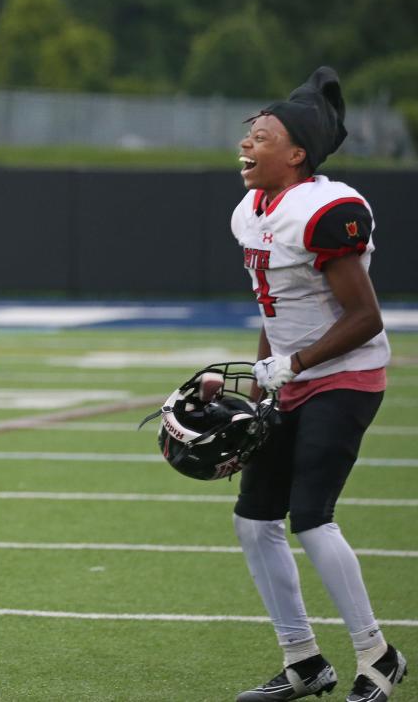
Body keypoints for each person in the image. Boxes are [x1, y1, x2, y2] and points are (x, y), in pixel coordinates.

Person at [231, 67, 407, 702]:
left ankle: (376, 654)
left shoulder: (327, 208)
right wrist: (261, 379)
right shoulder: (250, 212)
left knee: (310, 517)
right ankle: (303, 659)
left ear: (297, 153)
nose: (247, 145)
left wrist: (296, 364)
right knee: (254, 521)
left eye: (261, 136)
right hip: (289, 375)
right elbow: (271, 305)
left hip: (345, 376)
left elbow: (365, 318)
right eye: (248, 134)